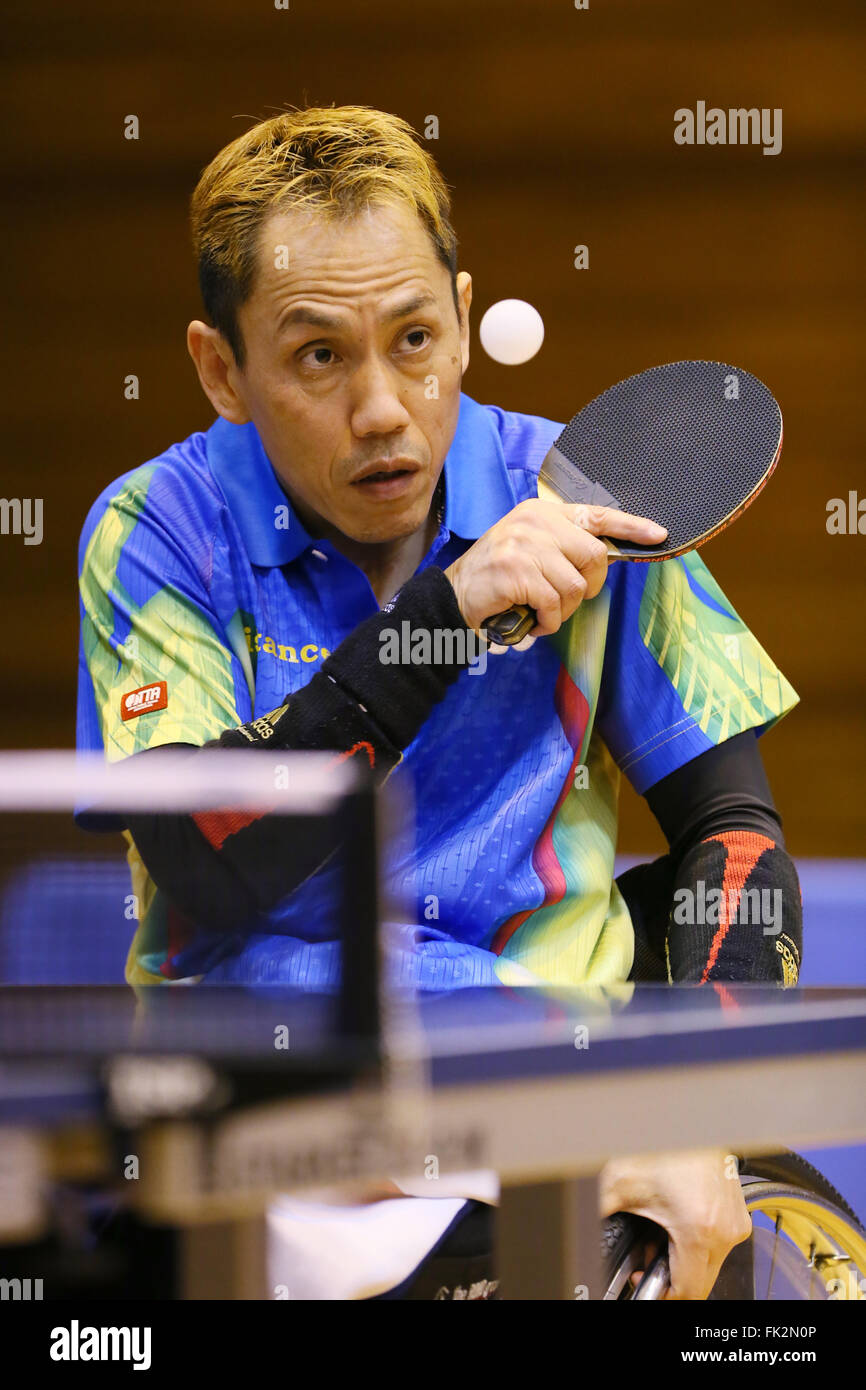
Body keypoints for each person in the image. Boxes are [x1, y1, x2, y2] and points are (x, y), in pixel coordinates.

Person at [76, 105, 801, 1299]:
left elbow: (731, 839)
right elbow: (205, 856)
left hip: (553, 1068)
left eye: (414, 338)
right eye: (318, 355)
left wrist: (698, 1106)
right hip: (282, 1097)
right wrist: (442, 614)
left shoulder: (586, 499)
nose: (381, 407)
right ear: (223, 371)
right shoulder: (158, 531)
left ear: (465, 320)